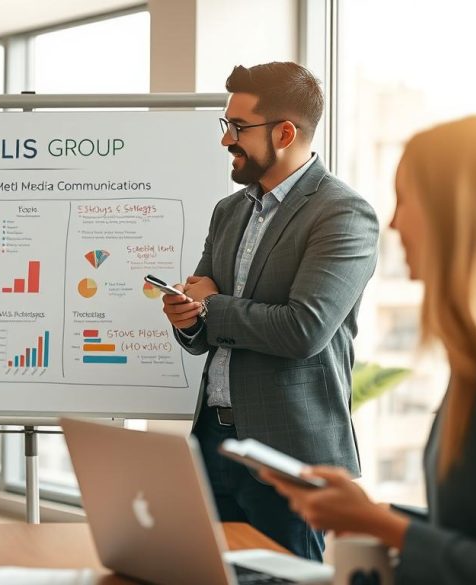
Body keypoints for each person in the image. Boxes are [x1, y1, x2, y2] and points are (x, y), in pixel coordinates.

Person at [263, 115, 476, 583]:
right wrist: (371, 513)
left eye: (407, 199)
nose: (394, 222)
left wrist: (381, 525)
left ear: (458, 214)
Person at [161, 62, 379, 560]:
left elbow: (303, 330)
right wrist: (188, 317)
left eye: (238, 128)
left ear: (285, 132)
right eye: (226, 125)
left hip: (289, 454)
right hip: (213, 441)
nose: (226, 140)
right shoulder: (229, 210)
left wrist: (211, 306)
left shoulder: (342, 213)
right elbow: (203, 317)